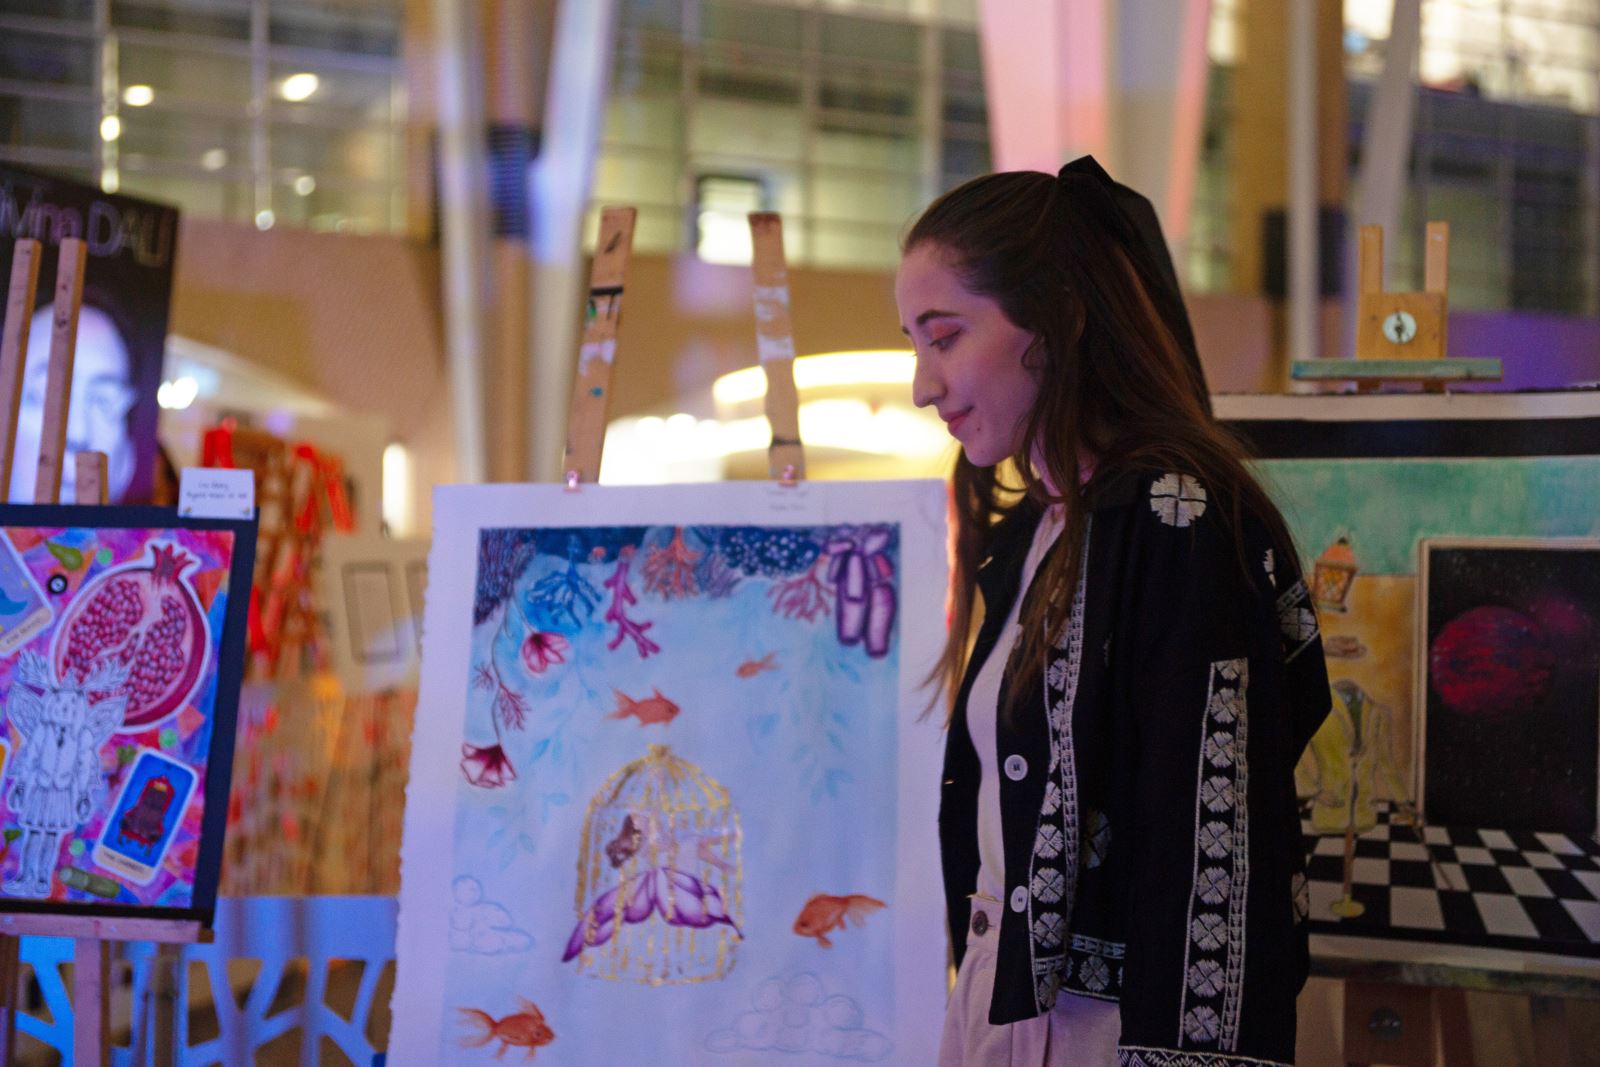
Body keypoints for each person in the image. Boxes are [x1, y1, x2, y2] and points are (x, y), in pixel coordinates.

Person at [896, 157, 1332, 1066]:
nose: (922, 385)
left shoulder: (1177, 520)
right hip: (1004, 1005)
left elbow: (1210, 847)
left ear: (1053, 323)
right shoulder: (1037, 530)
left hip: (1110, 1030)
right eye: (917, 344)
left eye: (944, 337)